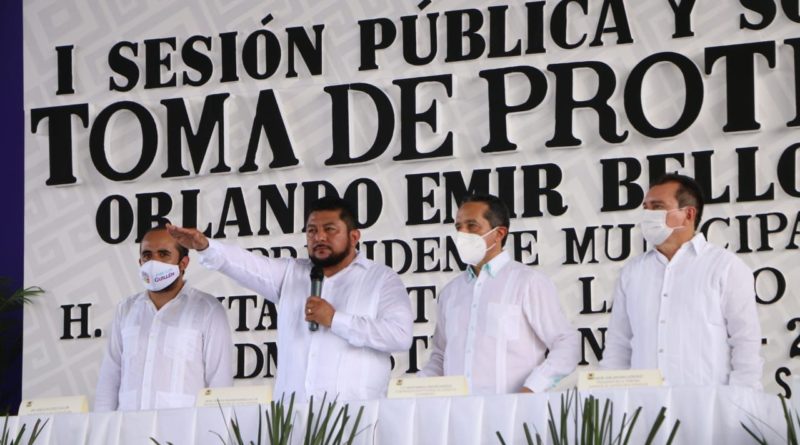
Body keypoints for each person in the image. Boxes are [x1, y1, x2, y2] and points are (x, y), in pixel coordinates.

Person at [168, 196, 413, 401]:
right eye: (312, 231)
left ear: (354, 236)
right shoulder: (290, 274)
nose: (319, 238)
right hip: (293, 423)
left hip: (356, 422)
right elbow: (245, 265)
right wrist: (205, 246)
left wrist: (336, 320)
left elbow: (400, 336)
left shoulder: (381, 279)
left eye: (329, 230)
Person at [600, 174, 763, 388]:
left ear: (688, 214)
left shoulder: (725, 267)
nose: (648, 215)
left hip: (708, 410)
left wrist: (739, 406)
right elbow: (618, 345)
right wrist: (611, 401)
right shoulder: (633, 272)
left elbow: (745, 343)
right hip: (647, 411)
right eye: (646, 208)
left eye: (657, 207)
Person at [419, 194, 580, 394]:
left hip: (513, 412)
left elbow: (566, 343)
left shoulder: (528, 282)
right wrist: (414, 388)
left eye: (472, 226)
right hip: (457, 414)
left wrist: (532, 389)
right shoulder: (451, 293)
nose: (462, 234)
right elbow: (441, 356)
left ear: (499, 233)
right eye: (458, 227)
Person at [95, 225, 233, 411]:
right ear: (140, 261)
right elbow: (109, 379)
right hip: (128, 431)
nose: (154, 262)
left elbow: (220, 385)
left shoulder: (208, 310)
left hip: (183, 435)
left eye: (163, 254)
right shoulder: (126, 310)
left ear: (183, 263)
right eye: (147, 255)